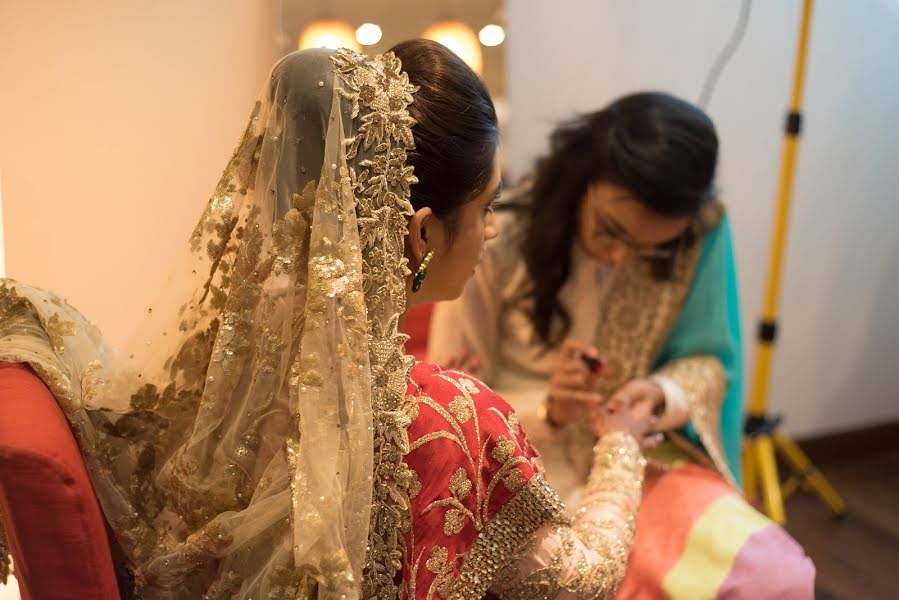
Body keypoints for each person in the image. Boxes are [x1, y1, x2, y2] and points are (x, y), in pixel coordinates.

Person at [0, 42, 653, 599]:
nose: (489, 231)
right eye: (486, 206)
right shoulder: (452, 418)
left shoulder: (216, 369)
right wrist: (619, 447)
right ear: (421, 234)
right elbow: (581, 581)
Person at [428, 93, 816, 598]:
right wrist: (550, 408)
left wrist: (656, 393)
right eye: (609, 232)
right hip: (522, 470)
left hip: (640, 454)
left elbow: (710, 364)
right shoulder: (497, 235)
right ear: (582, 180)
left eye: (646, 251)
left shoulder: (695, 236)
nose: (618, 259)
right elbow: (450, 406)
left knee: (775, 576)